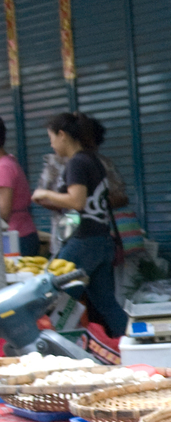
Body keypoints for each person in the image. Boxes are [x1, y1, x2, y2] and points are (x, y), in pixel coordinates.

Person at [30, 112, 128, 338]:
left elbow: (77, 201)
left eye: (51, 137)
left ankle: (47, 349)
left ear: (62, 135)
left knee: (53, 297)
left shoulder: (76, 163)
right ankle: (132, 345)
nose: (51, 144)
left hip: (83, 241)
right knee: (106, 304)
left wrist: (46, 193)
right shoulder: (93, 160)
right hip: (101, 241)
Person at [0, 117, 36, 256]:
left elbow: (3, 212)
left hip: (15, 238)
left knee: (13, 276)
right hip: (20, 234)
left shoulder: (3, 168)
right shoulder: (8, 162)